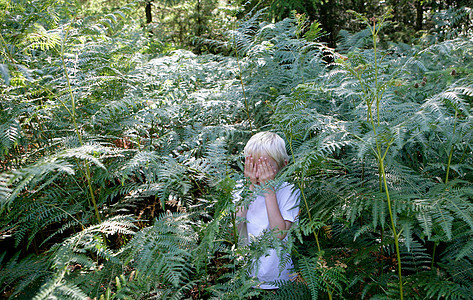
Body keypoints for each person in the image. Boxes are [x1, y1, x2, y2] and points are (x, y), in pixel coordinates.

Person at [235, 131, 300, 290]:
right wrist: (250, 189)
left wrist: (268, 190)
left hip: (281, 278)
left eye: (266, 167)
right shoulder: (240, 190)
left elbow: (279, 234)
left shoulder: (289, 191)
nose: (260, 175)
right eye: (255, 166)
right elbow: (232, 231)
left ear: (283, 165)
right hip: (246, 277)